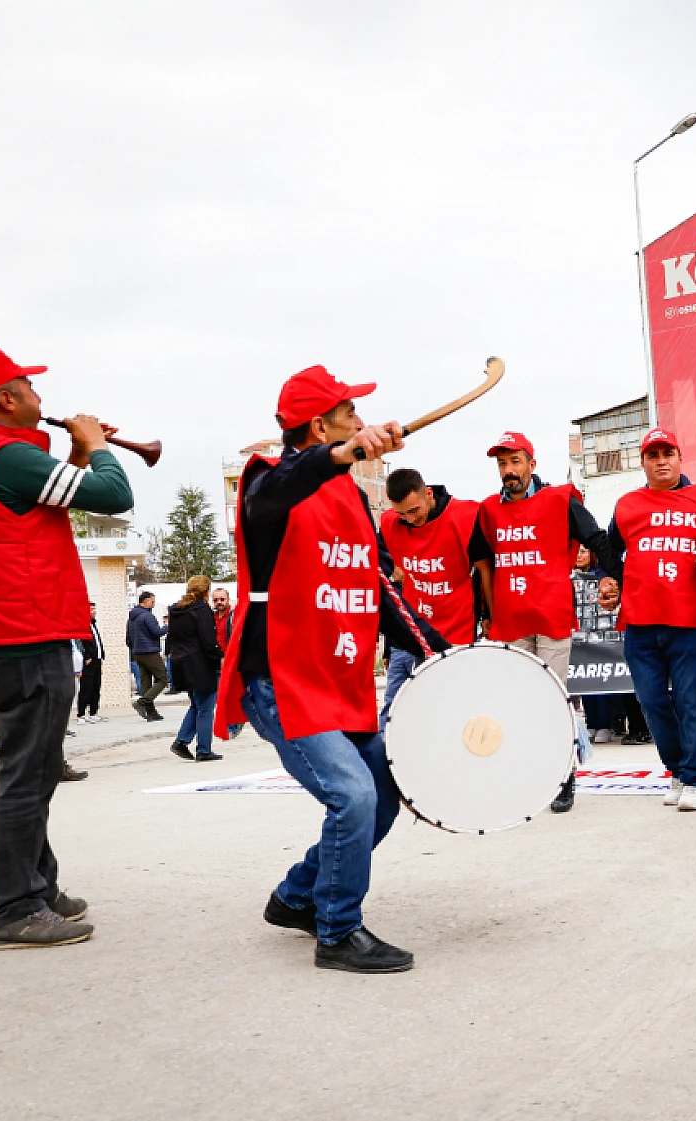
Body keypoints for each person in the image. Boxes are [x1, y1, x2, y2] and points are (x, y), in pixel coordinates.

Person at [215, 364, 447, 973]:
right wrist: (339, 454)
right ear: (321, 426)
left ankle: (296, 897)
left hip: (338, 679)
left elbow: (378, 587)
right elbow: (287, 483)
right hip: (282, 680)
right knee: (352, 795)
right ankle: (338, 930)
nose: (361, 420)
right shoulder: (266, 483)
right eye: (350, 414)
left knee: (383, 797)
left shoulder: (351, 497)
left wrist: (440, 652)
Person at [0, 346, 132, 948]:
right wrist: (98, 444)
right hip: (22, 632)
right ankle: (14, 907)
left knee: (28, 765)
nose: (42, 400)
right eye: (29, 388)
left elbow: (44, 498)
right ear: (7, 399)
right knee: (30, 773)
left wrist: (77, 454)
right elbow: (113, 495)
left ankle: (39, 885)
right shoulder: (5, 453)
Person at [474, 432, 616, 813]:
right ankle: (531, 774)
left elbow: (597, 538)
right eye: (502, 464)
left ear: (531, 465)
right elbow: (480, 564)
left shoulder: (559, 500)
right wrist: (484, 615)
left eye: (515, 462)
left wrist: (614, 575)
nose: (509, 471)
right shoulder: (488, 511)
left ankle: (564, 775)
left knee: (553, 699)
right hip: (511, 621)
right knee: (521, 702)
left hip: (551, 617)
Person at [594, 428, 696, 811]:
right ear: (643, 462)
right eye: (654, 455)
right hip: (640, 622)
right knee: (651, 701)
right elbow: (611, 554)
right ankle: (677, 771)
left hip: (689, 619)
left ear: (680, 457)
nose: (662, 460)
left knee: (692, 701)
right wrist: (608, 581)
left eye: (668, 453)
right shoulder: (627, 504)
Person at [378, 467, 486, 726]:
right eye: (401, 513)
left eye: (414, 511)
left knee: (462, 697)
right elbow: (380, 580)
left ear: (428, 494)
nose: (409, 519)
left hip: (459, 624)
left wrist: (488, 614)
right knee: (429, 698)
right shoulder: (391, 523)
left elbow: (485, 569)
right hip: (422, 628)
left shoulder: (464, 515)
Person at [165, 575, 223, 762]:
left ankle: (182, 741)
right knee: (206, 707)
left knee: (197, 704)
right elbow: (208, 641)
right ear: (206, 591)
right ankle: (204, 749)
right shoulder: (202, 610)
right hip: (200, 664)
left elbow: (171, 639)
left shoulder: (176, 610)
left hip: (181, 664)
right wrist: (218, 658)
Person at [210, 586, 245, 738]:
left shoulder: (234, 615)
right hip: (217, 660)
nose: (219, 602)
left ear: (227, 599)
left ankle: (234, 724)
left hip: (232, 660)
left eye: (222, 599)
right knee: (221, 695)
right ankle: (232, 723)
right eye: (216, 600)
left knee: (233, 693)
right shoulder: (211, 617)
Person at [127, 592, 166, 721]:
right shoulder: (147, 616)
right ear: (146, 601)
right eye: (152, 602)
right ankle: (141, 702)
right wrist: (168, 627)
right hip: (150, 652)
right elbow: (157, 632)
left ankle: (151, 713)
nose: (153, 605)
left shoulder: (131, 617)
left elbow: (128, 639)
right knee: (163, 679)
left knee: (146, 683)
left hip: (137, 653)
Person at [75, 601, 107, 724]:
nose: (93, 611)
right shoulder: (82, 625)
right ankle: (81, 714)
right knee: (86, 688)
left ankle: (93, 712)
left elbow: (97, 642)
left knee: (95, 687)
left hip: (97, 660)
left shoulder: (93, 625)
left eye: (94, 609)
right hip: (88, 661)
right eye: (91, 609)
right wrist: (86, 656)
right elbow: (80, 642)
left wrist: (101, 656)